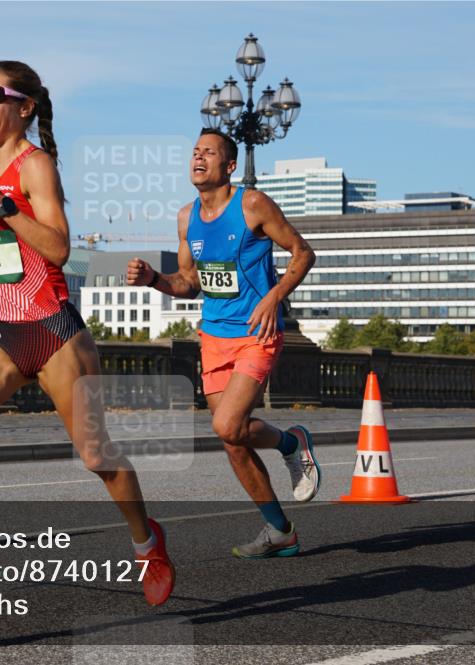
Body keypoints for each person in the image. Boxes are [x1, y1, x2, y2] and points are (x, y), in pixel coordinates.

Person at [0, 61, 174, 624]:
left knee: (96, 456)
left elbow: (58, 249)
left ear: (25, 107)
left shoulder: (34, 166)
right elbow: (9, 254)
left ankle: (146, 544)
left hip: (53, 332)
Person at [127, 128, 319, 559]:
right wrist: (154, 280)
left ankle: (292, 444)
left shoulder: (251, 204)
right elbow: (190, 282)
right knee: (233, 442)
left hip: (256, 333)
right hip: (214, 337)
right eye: (195, 152)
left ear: (229, 166)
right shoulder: (186, 217)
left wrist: (274, 297)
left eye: (209, 153)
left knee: (227, 425)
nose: (198, 158)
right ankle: (280, 530)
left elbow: (303, 252)